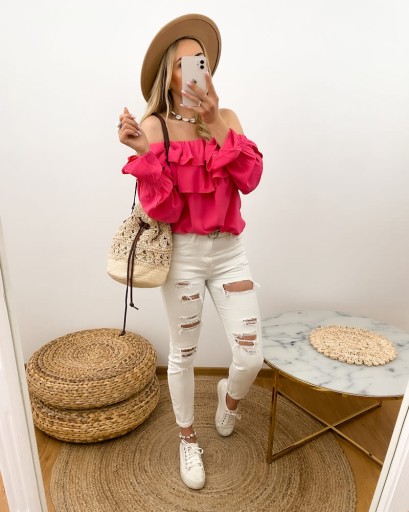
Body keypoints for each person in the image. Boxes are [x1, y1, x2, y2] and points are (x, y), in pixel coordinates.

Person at [117, 13, 264, 490]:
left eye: (200, 60)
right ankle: (187, 438)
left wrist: (214, 121)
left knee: (250, 356)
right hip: (181, 254)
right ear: (169, 75)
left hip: (230, 252)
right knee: (183, 353)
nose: (194, 70)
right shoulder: (155, 125)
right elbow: (162, 208)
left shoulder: (228, 119)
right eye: (183, 64)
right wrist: (144, 154)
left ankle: (229, 399)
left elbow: (250, 178)